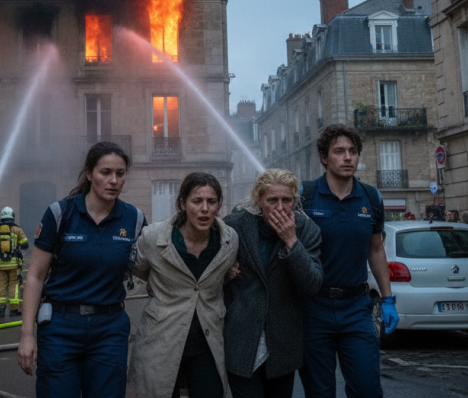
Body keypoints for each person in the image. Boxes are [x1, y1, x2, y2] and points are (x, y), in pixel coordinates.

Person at [16, 141, 145, 397]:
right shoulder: (59, 214)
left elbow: (156, 266)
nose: (114, 180)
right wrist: (26, 334)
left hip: (110, 329)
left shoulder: (134, 219)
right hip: (60, 328)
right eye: (105, 172)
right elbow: (35, 276)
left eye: (120, 174)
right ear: (89, 173)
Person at [298, 124, 398, 398]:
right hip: (313, 308)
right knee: (320, 392)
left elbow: (376, 249)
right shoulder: (305, 196)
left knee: (367, 389)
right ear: (324, 158)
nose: (348, 157)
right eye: (339, 151)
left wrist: (388, 299)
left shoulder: (370, 197)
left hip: (356, 308)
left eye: (353, 151)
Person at [127, 172, 240, 398]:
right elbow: (139, 270)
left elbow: (219, 275)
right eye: (197, 201)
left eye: (211, 201)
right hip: (161, 339)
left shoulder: (229, 240)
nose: (205, 208)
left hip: (207, 342)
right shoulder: (153, 237)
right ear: (182, 203)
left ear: (219, 204)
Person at [224, 169, 322, 398]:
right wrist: (224, 271)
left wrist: (291, 241)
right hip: (241, 339)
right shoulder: (234, 225)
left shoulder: (307, 230)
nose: (280, 207)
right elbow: (209, 269)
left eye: (286, 200)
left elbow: (313, 283)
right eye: (272, 200)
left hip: (283, 343)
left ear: (294, 201)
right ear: (259, 201)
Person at [0, 206, 29, 318]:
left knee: (1, 285)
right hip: (14, 263)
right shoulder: (17, 230)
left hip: (1, 264)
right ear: (12, 216)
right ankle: (13, 310)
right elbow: (25, 244)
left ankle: (1, 310)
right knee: (13, 285)